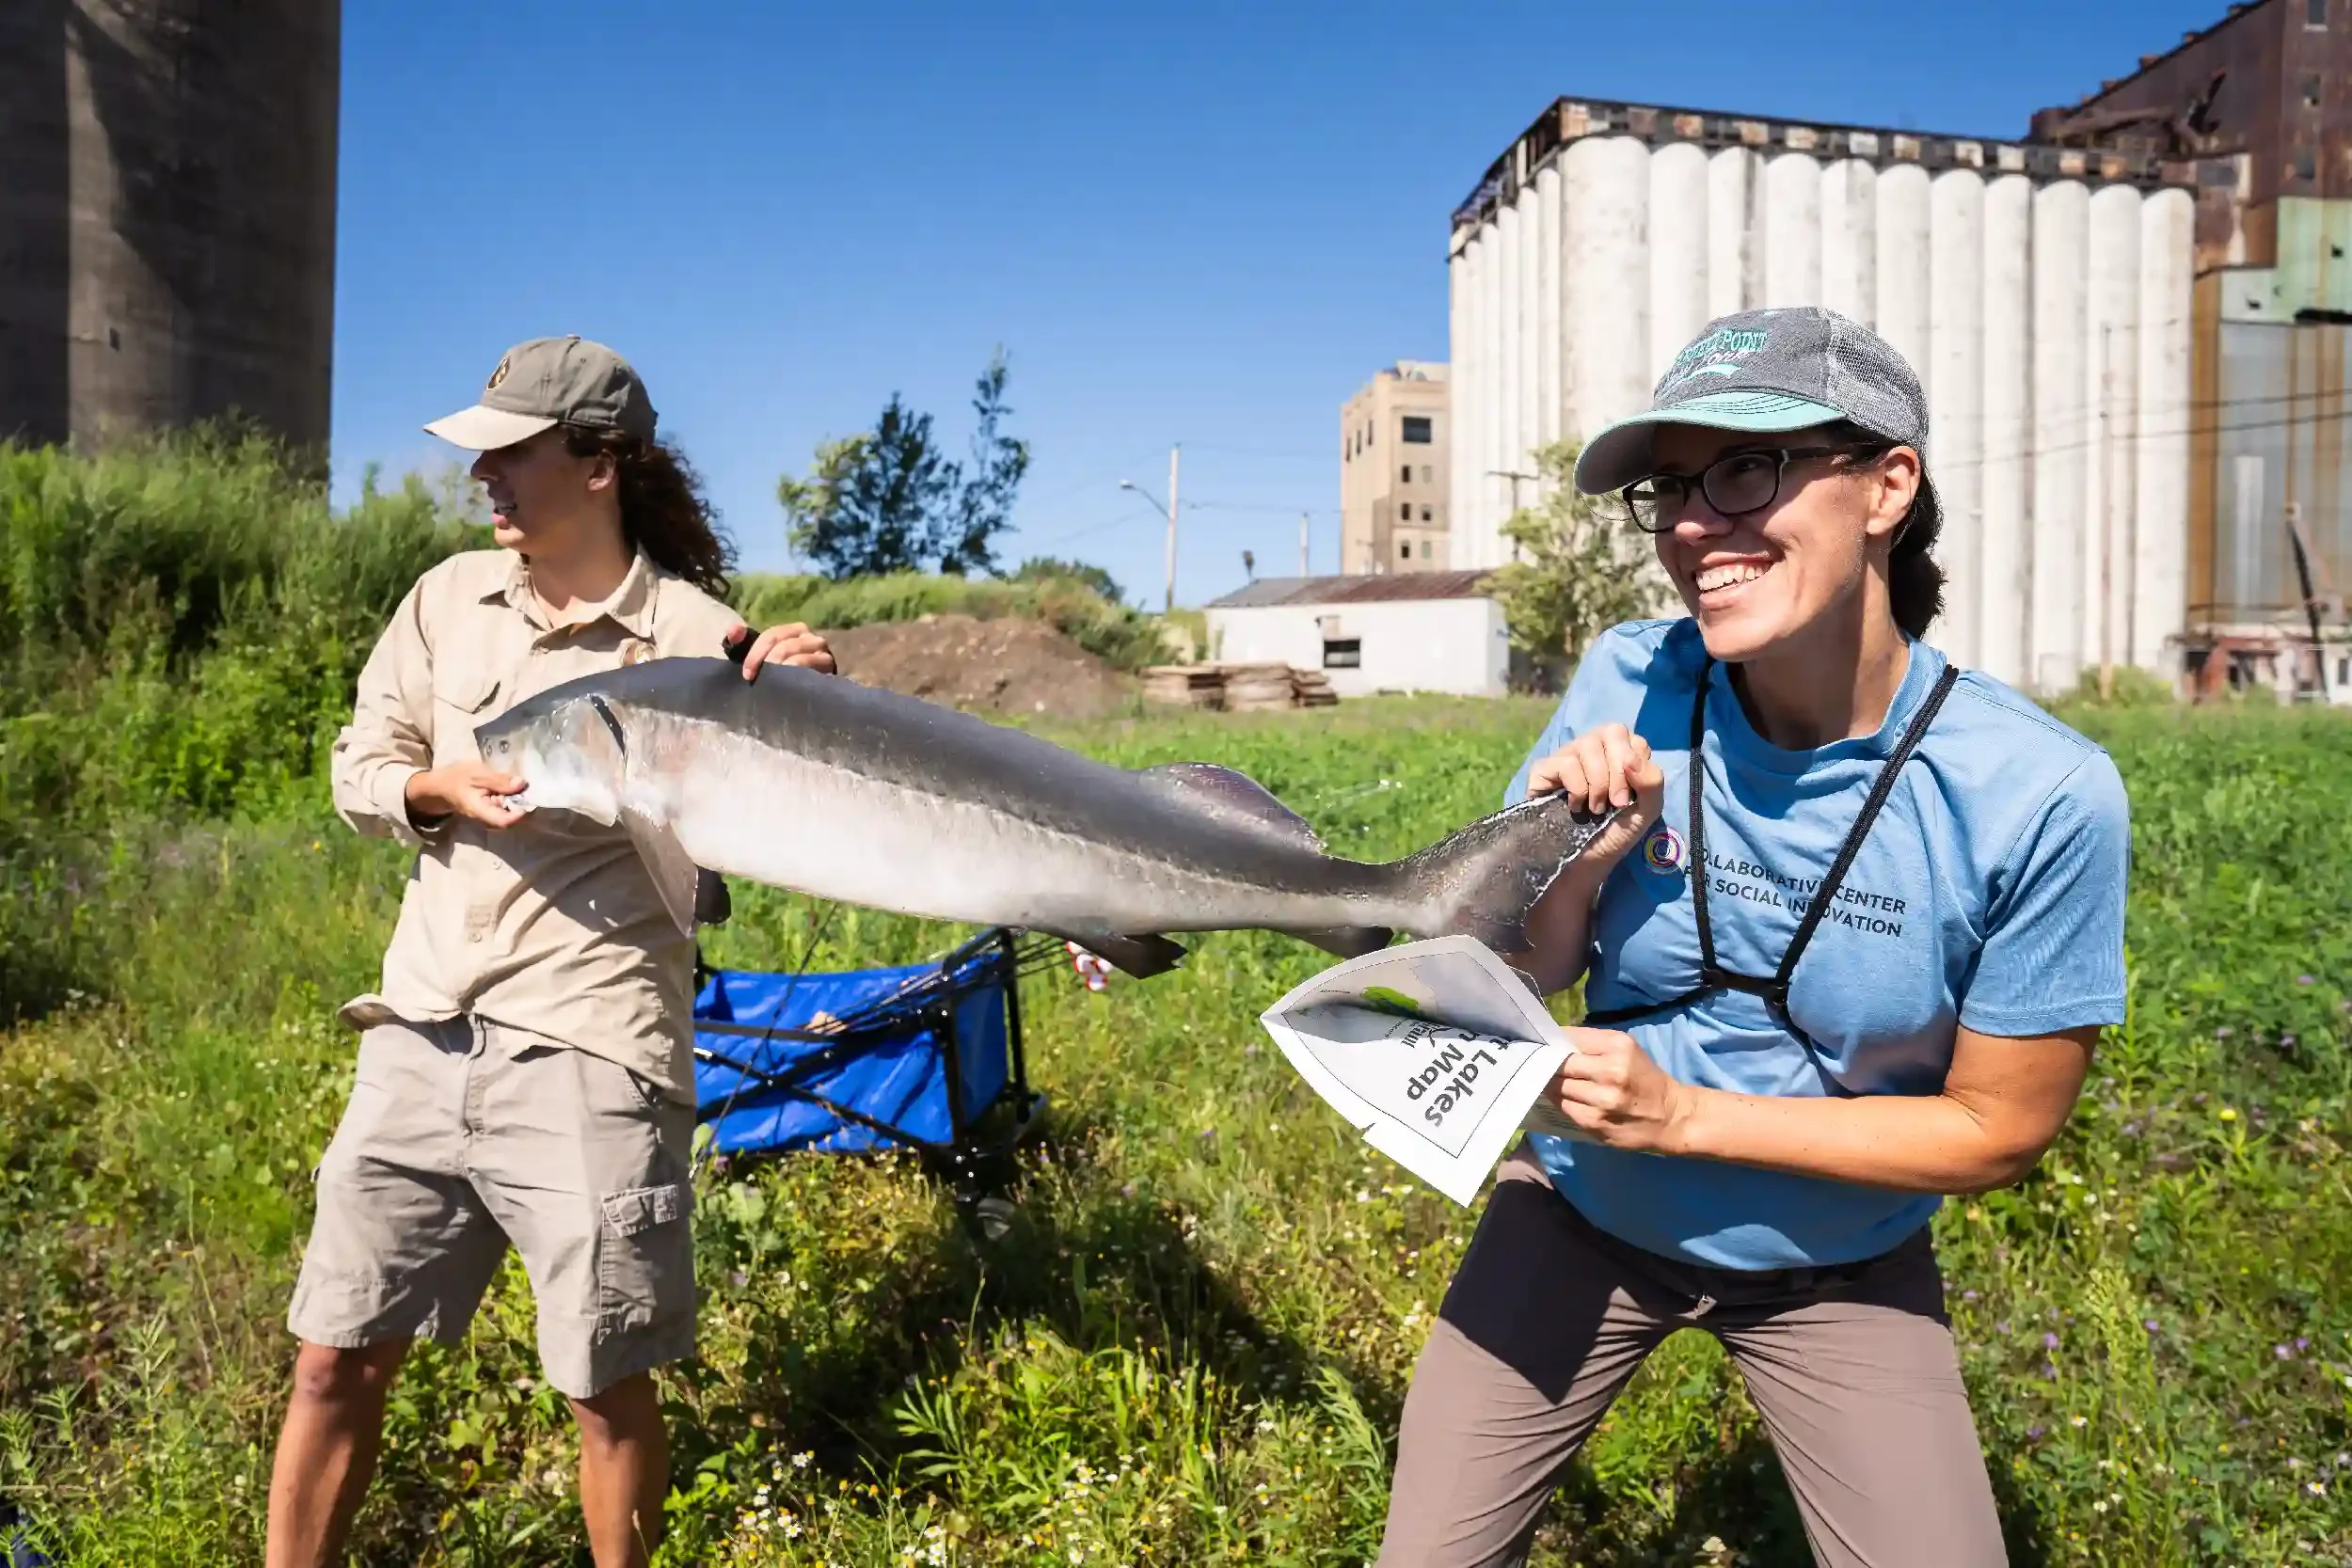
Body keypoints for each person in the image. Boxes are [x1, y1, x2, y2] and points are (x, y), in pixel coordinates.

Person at [1375, 308, 2129, 1568]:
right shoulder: (1629, 679)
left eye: (1746, 470)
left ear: (1889, 484)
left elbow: (1999, 1128)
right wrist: (1581, 856)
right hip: (1579, 1207)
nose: (1690, 525)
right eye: (1673, 487)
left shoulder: (2037, 793)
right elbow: (1532, 965)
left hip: (1838, 1260)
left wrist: (1682, 1117)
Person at [266, 336, 838, 1568]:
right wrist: (430, 787)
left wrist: (797, 696)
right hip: (419, 1029)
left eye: (512, 450)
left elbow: (757, 835)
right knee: (330, 1357)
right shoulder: (444, 599)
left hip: (590, 1046)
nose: (487, 476)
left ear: (599, 464)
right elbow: (356, 764)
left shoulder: (695, 636)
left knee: (602, 1380)